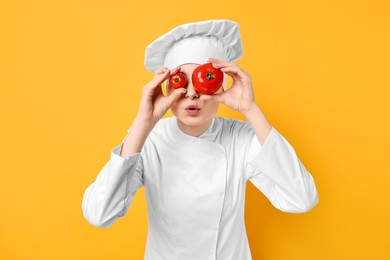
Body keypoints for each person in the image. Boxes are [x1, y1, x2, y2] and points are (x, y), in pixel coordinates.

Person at [82, 19, 319, 260]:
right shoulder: (148, 140)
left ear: (221, 85)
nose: (192, 93)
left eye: (203, 80)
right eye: (181, 81)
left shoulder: (241, 138)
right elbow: (99, 214)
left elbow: (302, 198)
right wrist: (143, 122)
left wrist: (250, 108)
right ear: (166, 87)